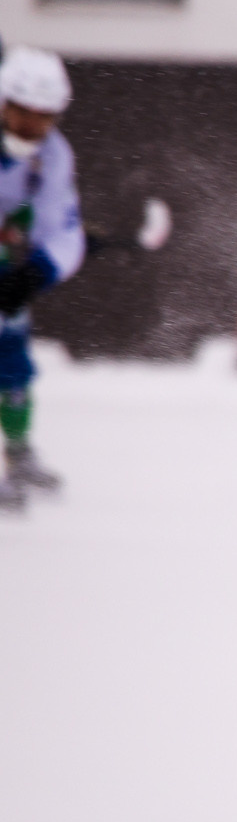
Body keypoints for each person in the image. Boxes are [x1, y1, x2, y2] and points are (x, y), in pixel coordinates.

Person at [0, 47, 83, 513]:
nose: (31, 128)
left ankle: (17, 449)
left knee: (10, 358)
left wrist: (38, 271)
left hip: (9, 260)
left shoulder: (51, 157)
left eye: (43, 118)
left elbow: (63, 229)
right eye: (22, 115)